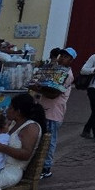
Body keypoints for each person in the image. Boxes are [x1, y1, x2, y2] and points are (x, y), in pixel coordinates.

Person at [0, 93, 46, 190]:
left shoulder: (31, 127)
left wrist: (1, 148)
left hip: (11, 171)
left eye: (10, 108)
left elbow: (26, 154)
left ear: (18, 112)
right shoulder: (12, 124)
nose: (7, 110)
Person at [40, 46, 76, 178]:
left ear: (71, 60)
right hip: (44, 108)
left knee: (49, 140)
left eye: (66, 57)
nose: (62, 59)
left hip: (54, 111)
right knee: (41, 138)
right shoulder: (54, 70)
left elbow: (54, 94)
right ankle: (39, 165)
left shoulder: (67, 75)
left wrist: (39, 89)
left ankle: (46, 167)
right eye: (61, 56)